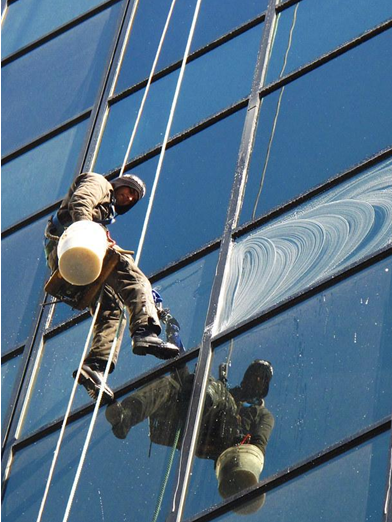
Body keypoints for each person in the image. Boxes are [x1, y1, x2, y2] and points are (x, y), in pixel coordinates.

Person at [44, 172, 180, 401]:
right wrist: (86, 232)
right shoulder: (100, 183)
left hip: (65, 256)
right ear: (118, 185)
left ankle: (95, 366)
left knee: (113, 309)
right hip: (74, 243)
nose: (127, 198)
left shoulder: (105, 212)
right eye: (126, 191)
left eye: (132, 198)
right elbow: (81, 201)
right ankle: (145, 331)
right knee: (136, 281)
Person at [105, 360, 275, 509]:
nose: (256, 379)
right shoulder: (230, 394)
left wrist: (243, 462)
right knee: (169, 385)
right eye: (253, 374)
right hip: (201, 427)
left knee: (211, 387)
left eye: (262, 378)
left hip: (223, 443)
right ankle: (126, 416)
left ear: (264, 387)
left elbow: (259, 446)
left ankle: (201, 398)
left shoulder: (260, 413)